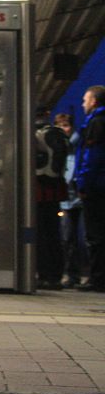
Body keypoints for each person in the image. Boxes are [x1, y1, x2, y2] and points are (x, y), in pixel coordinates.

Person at [74, 85, 105, 292]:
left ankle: (98, 279)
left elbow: (91, 156)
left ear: (94, 101)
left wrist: (83, 183)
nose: (83, 104)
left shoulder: (96, 122)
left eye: (85, 100)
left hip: (96, 186)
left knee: (95, 234)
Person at [34, 106, 68, 290]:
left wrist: (42, 173)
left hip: (40, 190)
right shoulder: (55, 133)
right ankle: (54, 275)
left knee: (41, 234)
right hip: (53, 191)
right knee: (53, 234)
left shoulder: (39, 133)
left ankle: (46, 274)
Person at [55, 112, 86, 287]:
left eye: (66, 125)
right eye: (60, 126)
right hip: (67, 199)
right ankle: (71, 274)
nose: (63, 129)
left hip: (76, 198)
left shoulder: (75, 147)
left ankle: (73, 274)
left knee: (72, 238)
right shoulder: (63, 147)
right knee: (67, 238)